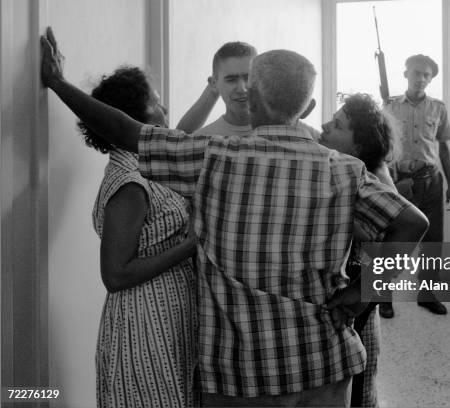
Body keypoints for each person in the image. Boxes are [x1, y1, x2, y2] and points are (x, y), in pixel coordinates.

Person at [41, 28, 429, 407]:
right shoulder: (345, 170)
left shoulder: (215, 156)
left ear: (254, 99)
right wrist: (360, 295)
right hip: (324, 360)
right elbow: (412, 223)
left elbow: (128, 132)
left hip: (240, 371)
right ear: (306, 106)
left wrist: (58, 84)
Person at [79, 66, 198, 407]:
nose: (165, 111)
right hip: (145, 322)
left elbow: (182, 134)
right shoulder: (130, 182)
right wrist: (189, 245)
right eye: (156, 103)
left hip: (167, 315)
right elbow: (115, 275)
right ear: (131, 116)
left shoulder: (149, 165)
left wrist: (212, 91)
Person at [320, 93, 400, 408]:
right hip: (359, 289)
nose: (325, 126)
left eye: (337, 125)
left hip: (360, 293)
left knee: (361, 380)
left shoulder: (374, 182)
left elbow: (386, 249)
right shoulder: (356, 167)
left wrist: (364, 290)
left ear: (359, 146)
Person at [382, 54, 450, 317]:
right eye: (416, 72)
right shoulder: (389, 107)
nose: (421, 78)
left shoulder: (438, 108)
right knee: (394, 241)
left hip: (432, 180)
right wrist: (388, 181)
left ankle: (427, 294)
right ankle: (383, 297)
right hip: (401, 182)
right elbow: (382, 148)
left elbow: (443, 147)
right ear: (405, 74)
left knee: (433, 240)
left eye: (427, 74)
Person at [177, 41, 256, 136]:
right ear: (214, 83)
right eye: (231, 80)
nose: (242, 89)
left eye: (249, 77)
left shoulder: (276, 135)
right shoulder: (203, 139)